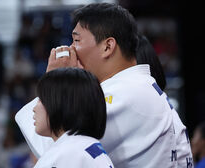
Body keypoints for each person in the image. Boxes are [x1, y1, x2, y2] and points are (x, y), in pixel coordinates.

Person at [15, 3, 193, 167]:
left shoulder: (125, 93)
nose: (70, 49)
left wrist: (58, 81)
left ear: (107, 47)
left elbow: (56, 150)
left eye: (76, 41)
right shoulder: (136, 87)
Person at [32, 67, 114, 168]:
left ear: (61, 103)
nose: (34, 108)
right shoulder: (83, 146)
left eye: (41, 99)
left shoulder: (67, 153)